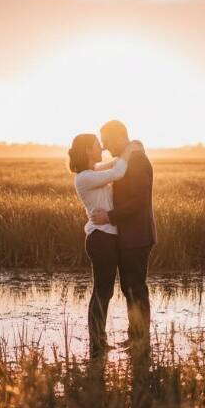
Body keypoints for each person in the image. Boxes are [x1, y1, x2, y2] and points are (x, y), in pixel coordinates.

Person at [68, 133, 142, 355]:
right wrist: (128, 151)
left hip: (106, 237)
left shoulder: (92, 172)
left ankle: (98, 340)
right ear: (88, 150)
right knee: (102, 292)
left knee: (103, 291)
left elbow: (111, 165)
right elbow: (118, 172)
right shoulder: (84, 177)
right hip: (101, 239)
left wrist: (123, 154)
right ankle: (97, 341)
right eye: (98, 145)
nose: (102, 147)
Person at [90, 120, 157, 347]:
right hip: (128, 235)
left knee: (135, 288)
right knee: (130, 289)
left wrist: (109, 216)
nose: (106, 147)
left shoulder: (137, 160)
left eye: (107, 141)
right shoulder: (127, 158)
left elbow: (139, 201)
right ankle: (135, 338)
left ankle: (139, 340)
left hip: (137, 236)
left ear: (119, 137)